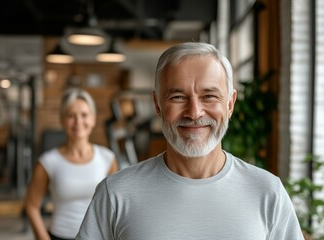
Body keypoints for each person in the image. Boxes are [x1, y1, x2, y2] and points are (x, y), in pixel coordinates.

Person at [75, 42, 304, 240]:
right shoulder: (116, 192)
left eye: (209, 96)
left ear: (230, 104)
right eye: (177, 97)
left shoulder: (267, 191)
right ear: (157, 105)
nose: (194, 112)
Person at [24, 88, 118, 240]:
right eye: (71, 116)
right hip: (59, 235)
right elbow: (31, 206)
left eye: (84, 115)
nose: (78, 121)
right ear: (62, 120)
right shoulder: (48, 162)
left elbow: (116, 205)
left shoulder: (107, 158)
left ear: (93, 119)